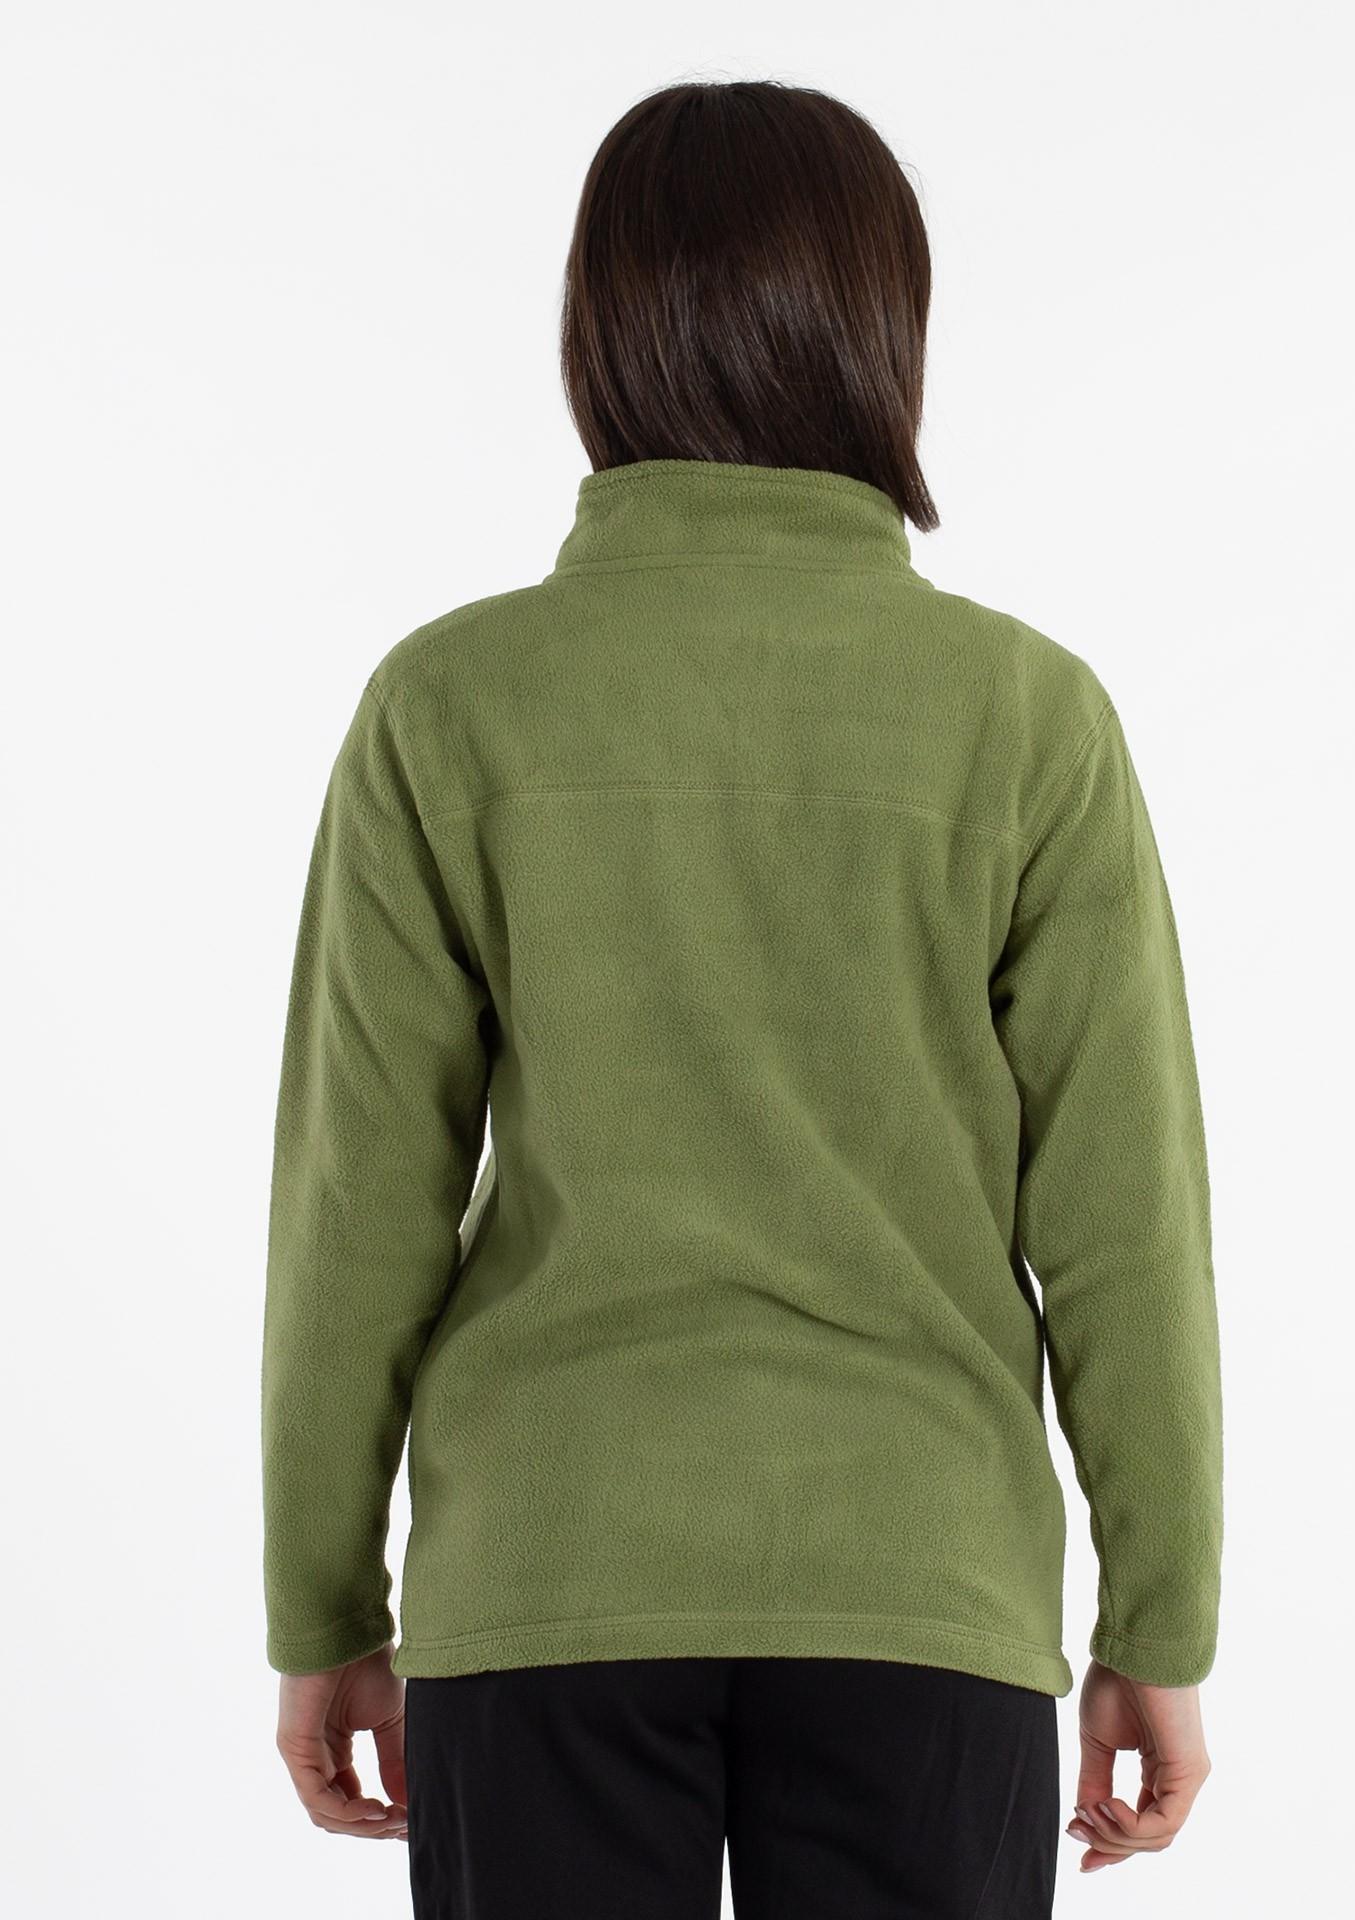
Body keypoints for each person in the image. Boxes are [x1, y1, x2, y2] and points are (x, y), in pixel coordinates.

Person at [261, 78, 1223, 1918]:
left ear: (596, 333)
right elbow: (1126, 1222)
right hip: (921, 1581)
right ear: (885, 334)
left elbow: (353, 1205)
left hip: (545, 1574)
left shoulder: (450, 705)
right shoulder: (1028, 719)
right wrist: (1158, 1623)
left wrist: (323, 1607)